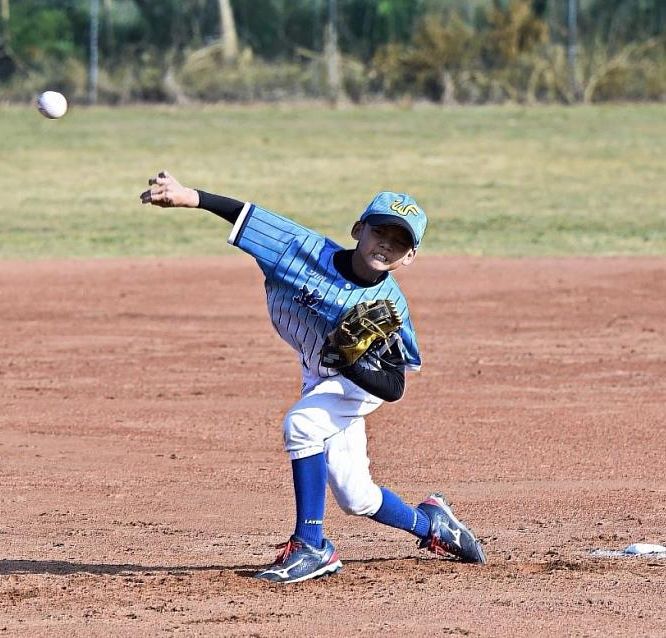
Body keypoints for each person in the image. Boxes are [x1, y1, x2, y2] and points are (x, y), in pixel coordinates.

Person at [140, 171, 486, 584]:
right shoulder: (300, 249)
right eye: (380, 232)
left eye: (400, 242)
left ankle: (311, 545)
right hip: (319, 372)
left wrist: (351, 361)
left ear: (409, 257)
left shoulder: (389, 306)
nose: (386, 245)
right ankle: (432, 524)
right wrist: (190, 196)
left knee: (302, 425)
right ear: (358, 230)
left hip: (361, 383)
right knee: (357, 497)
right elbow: (247, 215)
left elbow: (394, 388)